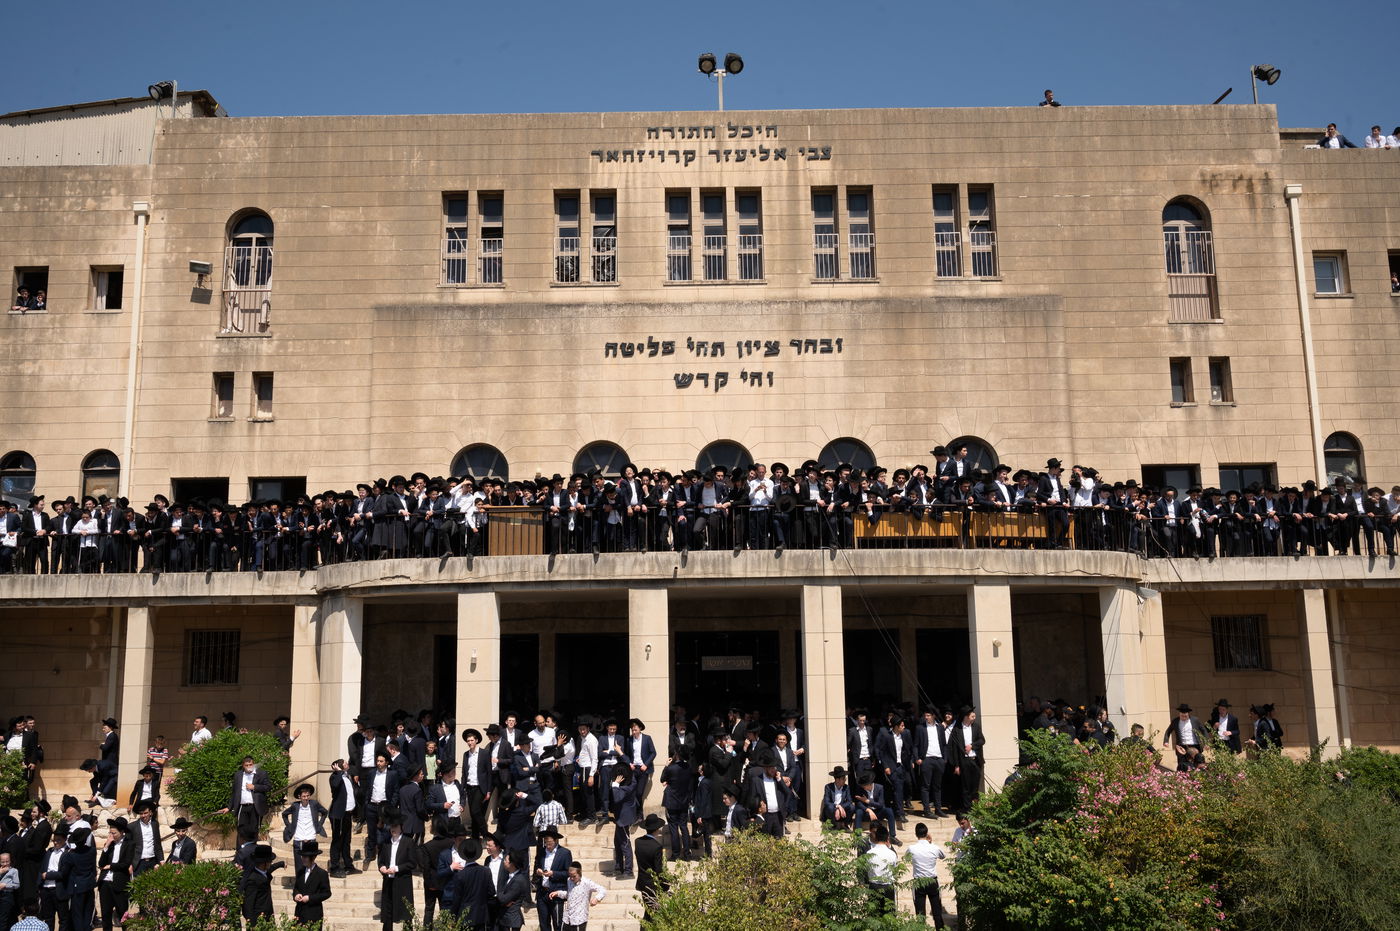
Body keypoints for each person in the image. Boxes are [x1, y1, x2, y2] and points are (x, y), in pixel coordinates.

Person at [217, 755, 270, 845]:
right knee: (241, 830)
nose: (249, 767)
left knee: (253, 830)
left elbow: (268, 787)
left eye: (251, 764)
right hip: (242, 807)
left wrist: (254, 787)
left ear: (253, 764)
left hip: (255, 807)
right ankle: (240, 852)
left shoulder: (261, 773)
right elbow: (234, 792)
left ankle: (252, 851)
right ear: (243, 765)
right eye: (247, 765)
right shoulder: (238, 775)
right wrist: (229, 807)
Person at [906, 821, 948, 928]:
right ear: (927, 833)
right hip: (932, 881)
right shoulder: (934, 848)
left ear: (916, 834)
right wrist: (931, 843)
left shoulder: (911, 848)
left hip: (919, 882)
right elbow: (943, 856)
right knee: (937, 912)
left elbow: (906, 858)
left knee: (920, 914)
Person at [378, 816, 415, 931]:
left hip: (403, 881)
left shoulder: (408, 842)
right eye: (391, 827)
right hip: (388, 880)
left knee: (406, 910)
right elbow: (381, 860)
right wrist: (382, 867)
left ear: (401, 828)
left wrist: (397, 868)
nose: (393, 829)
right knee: (388, 909)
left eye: (395, 826)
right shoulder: (386, 842)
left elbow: (412, 863)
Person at [94, 818, 132, 931]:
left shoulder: (129, 844)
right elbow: (101, 864)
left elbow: (125, 863)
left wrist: (111, 866)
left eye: (114, 833)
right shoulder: (109, 845)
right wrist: (106, 846)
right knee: (106, 915)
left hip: (119, 883)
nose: (111, 835)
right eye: (110, 833)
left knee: (123, 914)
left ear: (122, 832)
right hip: (105, 883)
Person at [552, 860, 606, 931]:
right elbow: (570, 895)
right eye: (570, 876)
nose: (572, 878)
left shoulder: (587, 882)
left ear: (580, 873)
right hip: (567, 919)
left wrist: (596, 899)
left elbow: (602, 890)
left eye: (574, 876)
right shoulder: (569, 881)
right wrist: (558, 893)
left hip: (579, 920)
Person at [282, 783, 329, 859]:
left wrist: (319, 824)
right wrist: (289, 826)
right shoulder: (295, 806)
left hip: (311, 838)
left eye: (308, 796)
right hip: (298, 838)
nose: (306, 798)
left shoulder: (314, 804)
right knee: (299, 864)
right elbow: (284, 814)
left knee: (310, 863)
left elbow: (325, 812)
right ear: (299, 797)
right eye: (304, 796)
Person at [634, 813, 667, 921]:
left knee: (649, 912)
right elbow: (658, 869)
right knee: (653, 915)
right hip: (653, 885)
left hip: (642, 882)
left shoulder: (637, 842)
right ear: (657, 829)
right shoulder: (657, 847)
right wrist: (665, 885)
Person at [291, 840, 331, 926]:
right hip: (300, 913)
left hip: (314, 914)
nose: (303, 859)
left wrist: (310, 898)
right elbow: (296, 888)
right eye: (302, 856)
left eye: (305, 857)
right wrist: (296, 895)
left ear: (313, 857)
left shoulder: (321, 873)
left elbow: (327, 893)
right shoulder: (300, 872)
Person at [863, 824, 897, 915]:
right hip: (888, 887)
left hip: (874, 887)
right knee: (889, 916)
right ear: (887, 838)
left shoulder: (869, 853)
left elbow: (866, 870)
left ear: (876, 837)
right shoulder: (892, 854)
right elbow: (894, 870)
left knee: (874, 916)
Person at [240, 845, 277, 925]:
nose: (271, 863)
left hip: (268, 917)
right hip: (258, 920)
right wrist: (252, 924)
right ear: (264, 863)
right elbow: (248, 904)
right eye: (270, 861)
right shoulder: (253, 880)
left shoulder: (264, 873)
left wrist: (281, 864)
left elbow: (271, 869)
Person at [1163, 702, 1206, 770]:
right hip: (1182, 746)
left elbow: (1203, 730)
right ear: (1179, 714)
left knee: (1198, 764)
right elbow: (1168, 731)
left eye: (1185, 716)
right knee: (1182, 765)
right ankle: (1182, 776)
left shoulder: (1195, 720)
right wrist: (1166, 741)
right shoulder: (1175, 721)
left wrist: (1206, 743)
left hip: (1195, 746)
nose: (1183, 717)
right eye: (1182, 716)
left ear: (1188, 714)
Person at [495, 849, 531, 930]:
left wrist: (499, 891)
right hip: (505, 919)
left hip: (511, 920)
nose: (504, 862)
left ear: (512, 863)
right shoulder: (510, 876)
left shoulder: (518, 880)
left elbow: (504, 899)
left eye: (506, 860)